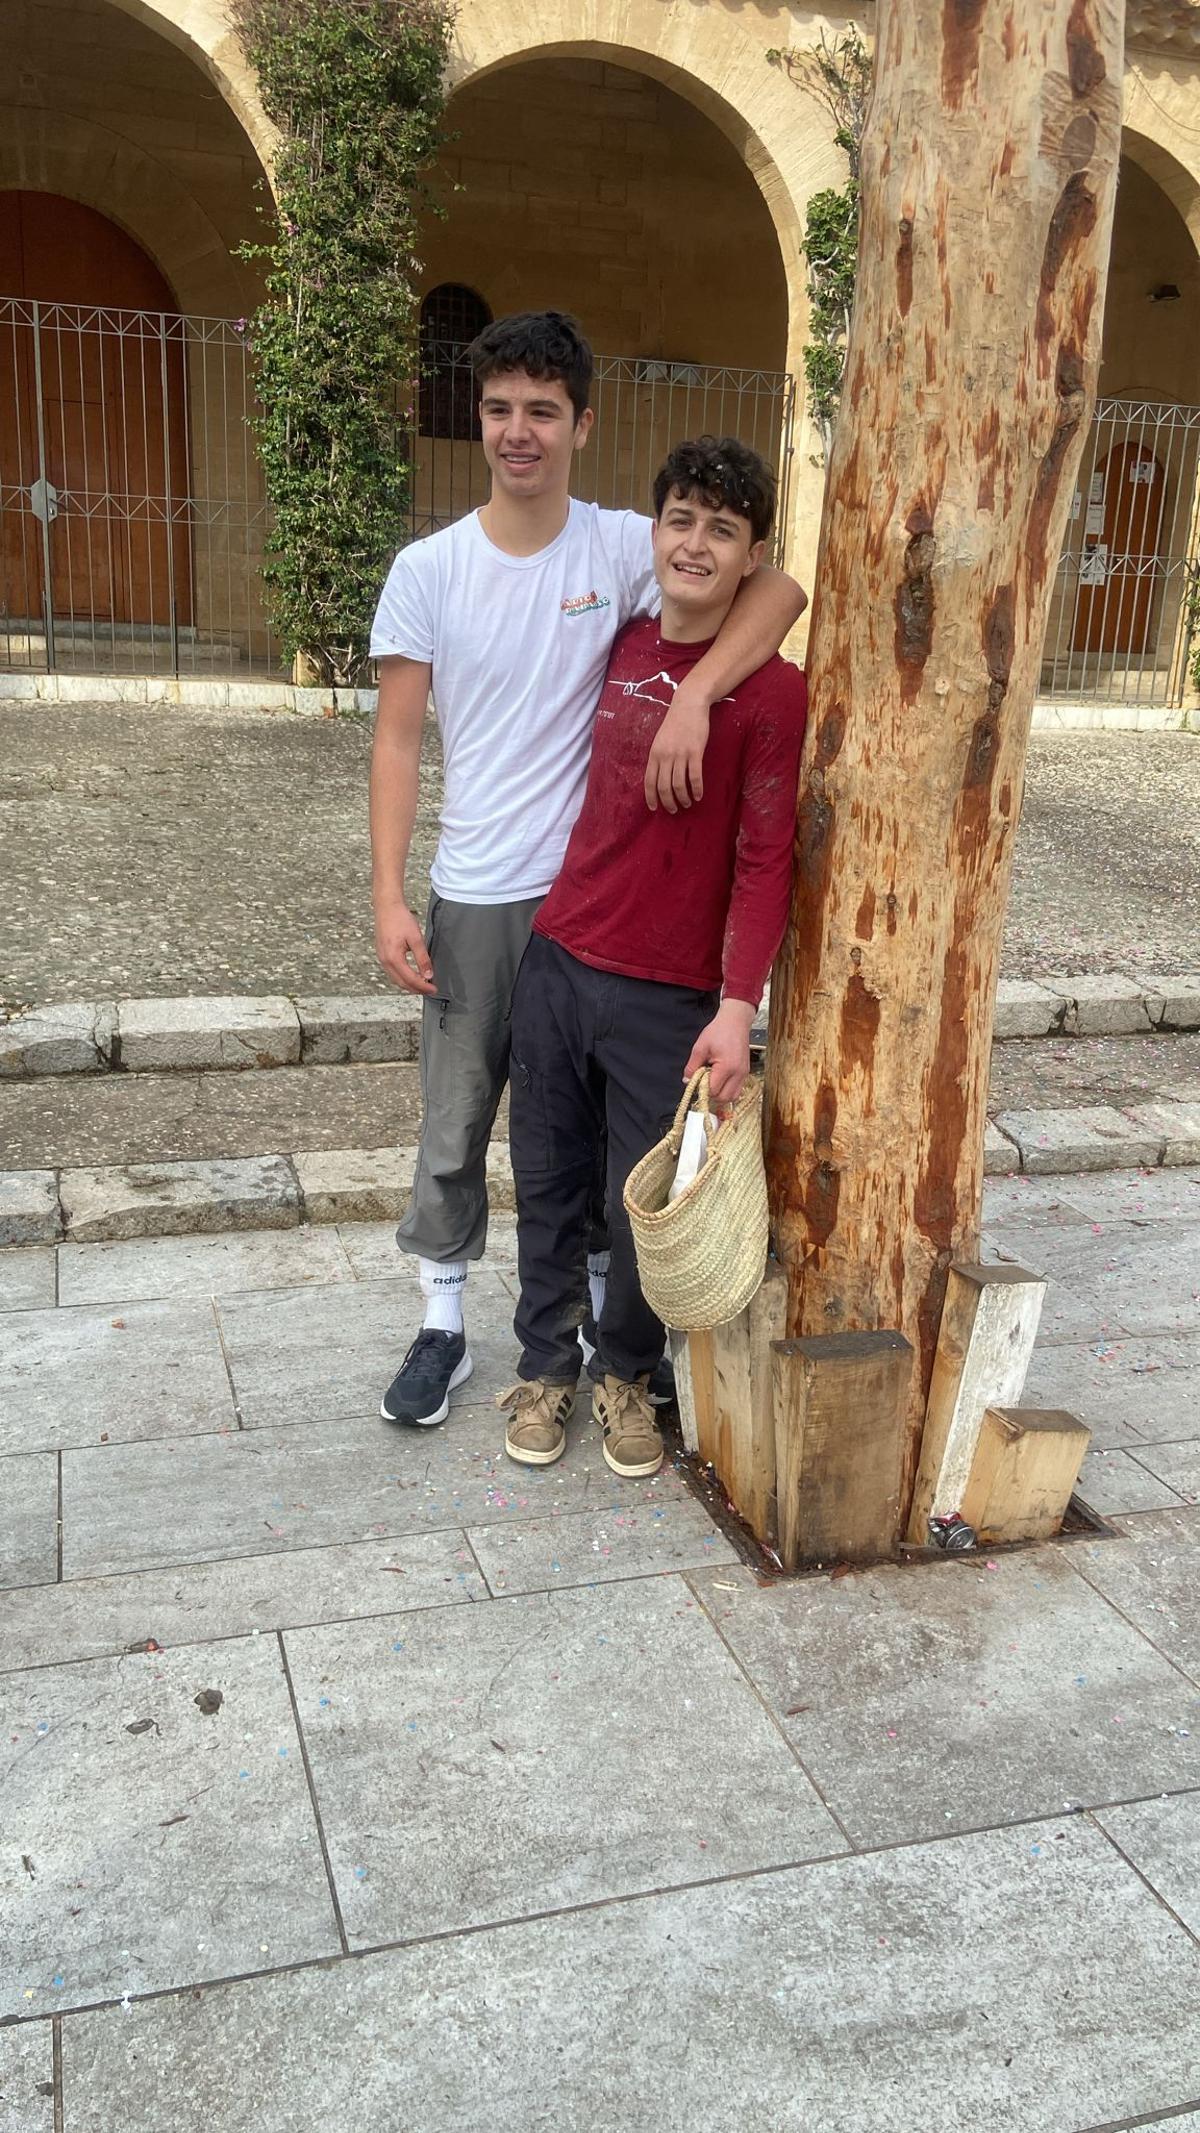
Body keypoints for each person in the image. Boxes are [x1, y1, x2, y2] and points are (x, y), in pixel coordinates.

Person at [369, 313, 807, 1430]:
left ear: (581, 424)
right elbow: (398, 741)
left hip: (591, 908)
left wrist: (697, 695)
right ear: (478, 419)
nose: (518, 431)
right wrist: (387, 893)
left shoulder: (619, 546)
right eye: (499, 409)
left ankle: (613, 1338)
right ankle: (442, 1324)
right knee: (457, 1122)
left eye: (542, 410)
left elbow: (778, 592)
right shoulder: (429, 568)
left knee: (597, 1142)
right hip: (478, 895)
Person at [497, 434, 808, 1478]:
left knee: (644, 1208)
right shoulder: (620, 640)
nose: (696, 544)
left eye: (723, 529)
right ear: (656, 531)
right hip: (559, 960)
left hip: (668, 998)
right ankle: (545, 1367)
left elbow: (766, 858)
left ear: (752, 555)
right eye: (681, 520)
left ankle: (627, 1373)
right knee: (548, 1181)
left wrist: (738, 1006)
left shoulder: (773, 695)